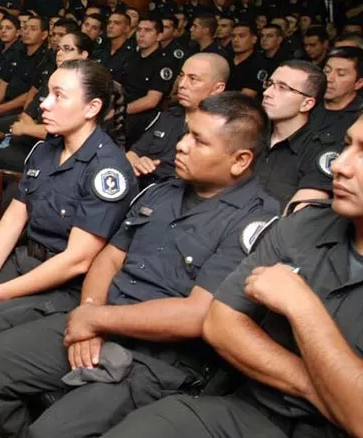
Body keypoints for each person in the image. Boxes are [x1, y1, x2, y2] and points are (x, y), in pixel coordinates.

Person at [0, 92, 279, 438]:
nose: (181, 145)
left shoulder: (256, 224)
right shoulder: (161, 192)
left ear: (239, 160)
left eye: (198, 140)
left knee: (49, 432)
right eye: (185, 133)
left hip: (158, 358)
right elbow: (109, 258)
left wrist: (95, 319)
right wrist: (90, 311)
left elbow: (198, 314)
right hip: (101, 318)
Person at [101, 113, 363, 438]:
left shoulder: (255, 212)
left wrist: (304, 308)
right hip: (251, 413)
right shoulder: (303, 225)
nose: (339, 165)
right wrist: (322, 387)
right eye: (348, 146)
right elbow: (220, 322)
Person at [0, 60, 135, 382]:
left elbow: (76, 261)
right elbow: (15, 215)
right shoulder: (46, 150)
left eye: (59, 96)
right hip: (25, 260)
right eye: (47, 93)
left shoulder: (106, 171)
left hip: (62, 287)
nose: (44, 103)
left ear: (92, 107)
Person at [126, 53, 228, 187]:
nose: (182, 84)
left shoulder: (223, 129)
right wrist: (137, 162)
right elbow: (133, 153)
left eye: (193, 79)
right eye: (181, 75)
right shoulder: (168, 116)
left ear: (217, 88)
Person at [0, 28, 89, 172]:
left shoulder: (83, 89)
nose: (60, 53)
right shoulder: (53, 80)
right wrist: (33, 131)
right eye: (59, 48)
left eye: (67, 49)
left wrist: (26, 129)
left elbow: (61, 132)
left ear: (83, 55)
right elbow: (27, 113)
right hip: (31, 143)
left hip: (54, 155)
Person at [256, 61, 334, 207]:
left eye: (282, 88)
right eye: (270, 84)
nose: (267, 93)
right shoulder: (249, 133)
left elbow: (297, 219)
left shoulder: (319, 151)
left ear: (306, 104)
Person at [309, 46, 363, 143]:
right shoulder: (306, 104)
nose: (329, 79)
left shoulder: (359, 118)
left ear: (358, 83)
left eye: (341, 74)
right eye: (327, 71)